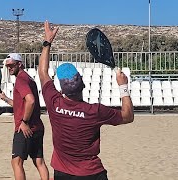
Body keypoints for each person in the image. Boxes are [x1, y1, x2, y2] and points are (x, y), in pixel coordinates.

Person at [38, 21, 134, 180]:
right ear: (83, 83)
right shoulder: (95, 111)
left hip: (63, 173)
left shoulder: (54, 103)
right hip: (91, 173)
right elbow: (128, 116)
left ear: (61, 90)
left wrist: (47, 41)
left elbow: (42, 72)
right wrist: (123, 86)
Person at [0, 53, 49, 180]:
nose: (9, 68)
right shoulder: (28, 78)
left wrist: (24, 121)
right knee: (39, 162)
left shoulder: (21, 79)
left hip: (25, 128)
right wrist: (6, 99)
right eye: (7, 66)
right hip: (37, 127)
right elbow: (22, 104)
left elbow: (30, 101)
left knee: (16, 162)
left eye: (11, 65)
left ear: (19, 64)